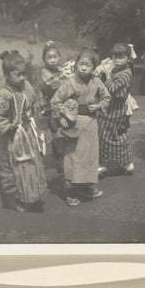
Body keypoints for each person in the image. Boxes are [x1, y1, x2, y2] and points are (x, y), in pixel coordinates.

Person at [50, 46, 111, 207]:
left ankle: (85, 186)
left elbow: (107, 97)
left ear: (94, 67)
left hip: (91, 125)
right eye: (81, 64)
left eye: (88, 65)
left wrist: (98, 106)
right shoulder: (70, 82)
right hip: (74, 124)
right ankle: (70, 191)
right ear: (76, 64)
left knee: (89, 158)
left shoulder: (96, 82)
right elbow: (55, 101)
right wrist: (60, 117)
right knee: (73, 157)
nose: (83, 67)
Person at [0, 50, 47, 213]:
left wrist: (32, 115)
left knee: (32, 164)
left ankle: (33, 196)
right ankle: (17, 200)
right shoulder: (3, 96)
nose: (22, 78)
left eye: (24, 74)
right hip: (12, 138)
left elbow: (33, 102)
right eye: (18, 74)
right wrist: (10, 125)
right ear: (6, 75)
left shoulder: (26, 86)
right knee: (15, 168)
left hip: (28, 133)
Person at [98, 43, 135, 176]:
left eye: (121, 57)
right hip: (115, 109)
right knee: (117, 135)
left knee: (105, 134)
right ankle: (126, 163)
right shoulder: (119, 71)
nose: (117, 60)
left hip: (115, 109)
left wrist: (107, 76)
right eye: (115, 57)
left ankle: (103, 164)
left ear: (128, 59)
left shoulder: (125, 74)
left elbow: (112, 89)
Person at [39, 41, 67, 168]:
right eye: (49, 57)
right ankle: (60, 158)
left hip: (61, 105)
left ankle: (63, 157)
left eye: (55, 57)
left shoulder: (58, 70)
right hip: (51, 107)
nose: (53, 60)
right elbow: (52, 86)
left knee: (65, 128)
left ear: (59, 57)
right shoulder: (45, 73)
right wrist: (64, 79)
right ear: (44, 59)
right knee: (56, 130)